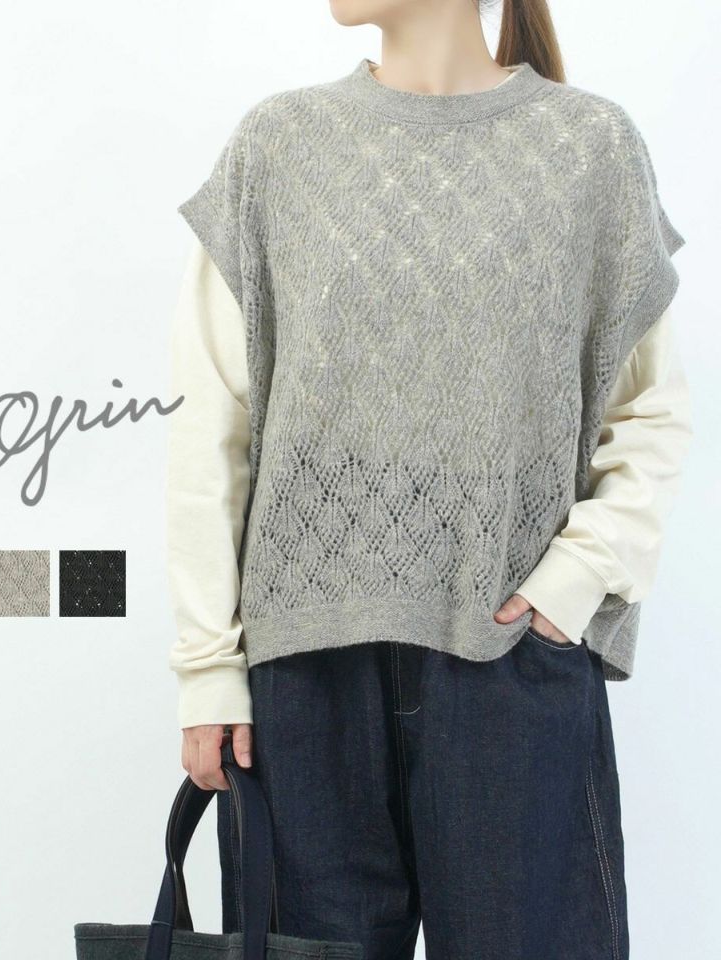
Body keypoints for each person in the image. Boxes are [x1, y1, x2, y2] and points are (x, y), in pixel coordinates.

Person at [165, 2, 693, 958]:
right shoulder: (278, 146)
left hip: (511, 659)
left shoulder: (590, 149)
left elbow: (648, 412)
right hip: (304, 679)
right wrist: (208, 671)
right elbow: (211, 431)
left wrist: (575, 581)